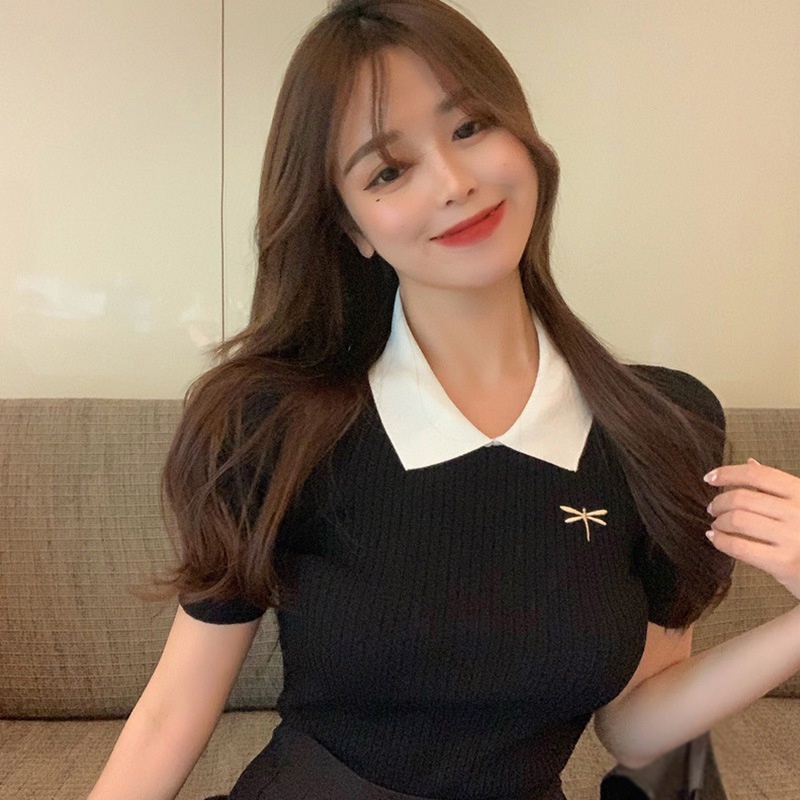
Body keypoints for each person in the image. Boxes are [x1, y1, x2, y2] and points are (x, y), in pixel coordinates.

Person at [87, 1, 800, 799]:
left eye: (469, 128)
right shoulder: (270, 424)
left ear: (524, 137)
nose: (455, 183)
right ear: (352, 226)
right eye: (388, 172)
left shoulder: (665, 424)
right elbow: (171, 712)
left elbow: (636, 722)